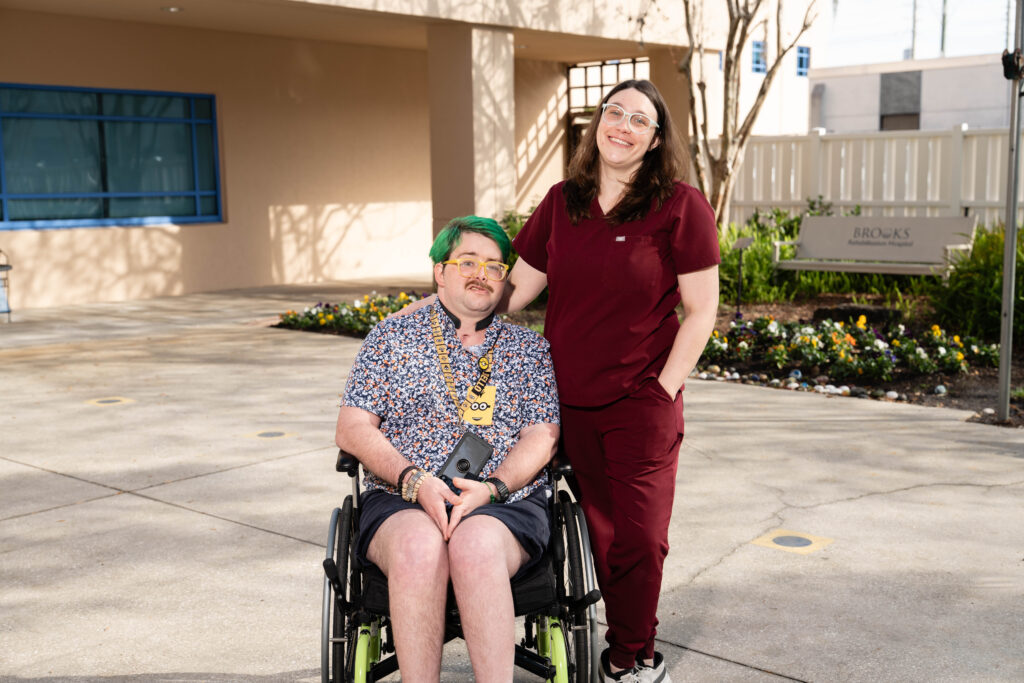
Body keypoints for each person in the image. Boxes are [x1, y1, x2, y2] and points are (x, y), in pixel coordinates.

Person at [394, 79, 720, 683]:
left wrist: (663, 389)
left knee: (641, 539)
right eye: (614, 112)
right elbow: (512, 290)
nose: (622, 126)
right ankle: (612, 642)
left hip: (640, 402)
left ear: (655, 140)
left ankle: (631, 658)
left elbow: (702, 311)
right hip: (565, 401)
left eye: (639, 120)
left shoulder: (680, 206)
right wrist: (431, 309)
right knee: (598, 533)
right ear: (598, 123)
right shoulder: (562, 201)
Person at [335, 216, 560, 683]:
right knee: (419, 547)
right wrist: (413, 480)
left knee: (476, 547)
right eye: (467, 262)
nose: (482, 274)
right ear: (440, 271)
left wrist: (493, 489)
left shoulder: (529, 350)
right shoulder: (390, 339)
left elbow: (543, 436)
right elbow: (352, 428)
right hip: (401, 498)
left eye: (494, 266)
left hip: (506, 503)